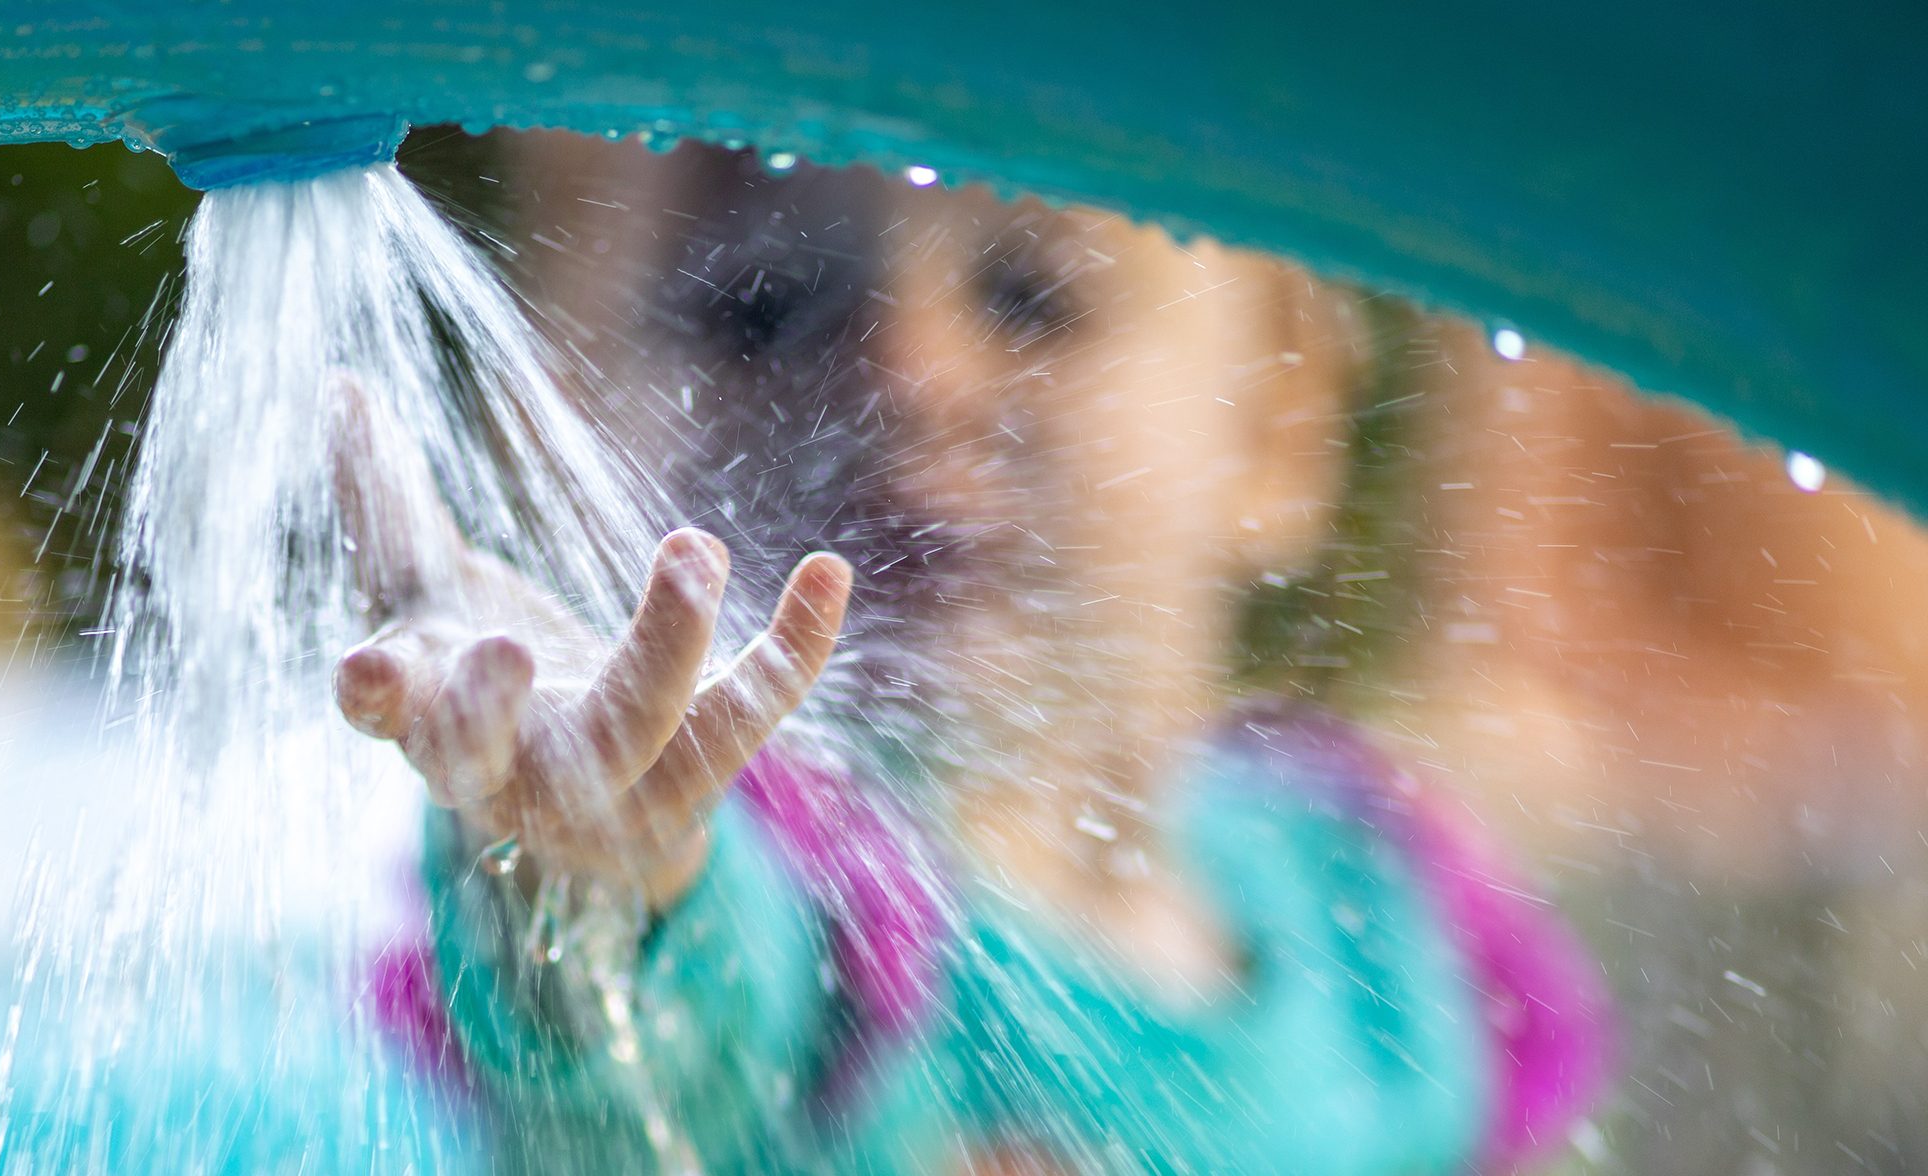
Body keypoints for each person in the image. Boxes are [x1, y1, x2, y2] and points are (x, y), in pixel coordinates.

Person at [342, 137, 1611, 1173]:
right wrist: (589, 874)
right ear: (564, 435)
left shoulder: (1370, 909)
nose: (908, 371)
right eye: (761, 310)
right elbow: (643, 1040)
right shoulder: (803, 891)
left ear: (1277, 410)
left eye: (1033, 298)